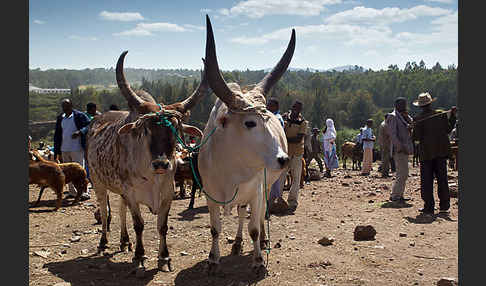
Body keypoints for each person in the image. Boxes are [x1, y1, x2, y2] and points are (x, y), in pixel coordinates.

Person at [412, 92, 456, 215]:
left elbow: (416, 137)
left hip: (426, 154)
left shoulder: (418, 119)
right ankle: (444, 206)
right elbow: (448, 129)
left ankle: (429, 207)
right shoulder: (440, 114)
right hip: (441, 152)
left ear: (420, 106)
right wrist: (453, 116)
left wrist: (411, 128)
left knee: (426, 181)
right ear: (430, 103)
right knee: (442, 179)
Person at [53, 98, 91, 201]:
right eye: (63, 107)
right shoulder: (61, 118)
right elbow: (57, 135)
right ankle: (72, 192)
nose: (65, 108)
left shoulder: (79, 116)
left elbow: (89, 125)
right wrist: (57, 152)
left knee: (80, 171)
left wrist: (80, 132)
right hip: (64, 148)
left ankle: (84, 192)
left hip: (77, 148)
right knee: (67, 172)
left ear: (71, 106)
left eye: (67, 106)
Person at [281, 100, 308, 212]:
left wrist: (283, 138)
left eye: (299, 108)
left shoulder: (303, 122)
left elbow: (298, 139)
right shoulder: (284, 118)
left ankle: (292, 201)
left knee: (296, 178)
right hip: (284, 152)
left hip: (297, 153)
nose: (296, 110)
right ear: (292, 107)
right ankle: (277, 199)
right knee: (280, 176)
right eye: (295, 107)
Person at [386, 98, 414, 203]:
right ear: (396, 105)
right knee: (402, 173)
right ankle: (395, 196)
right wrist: (399, 146)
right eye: (402, 104)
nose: (404, 106)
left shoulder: (404, 116)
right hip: (399, 149)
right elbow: (392, 134)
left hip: (405, 148)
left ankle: (399, 194)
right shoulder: (392, 116)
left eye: (405, 104)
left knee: (404, 173)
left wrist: (407, 117)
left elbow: (412, 124)